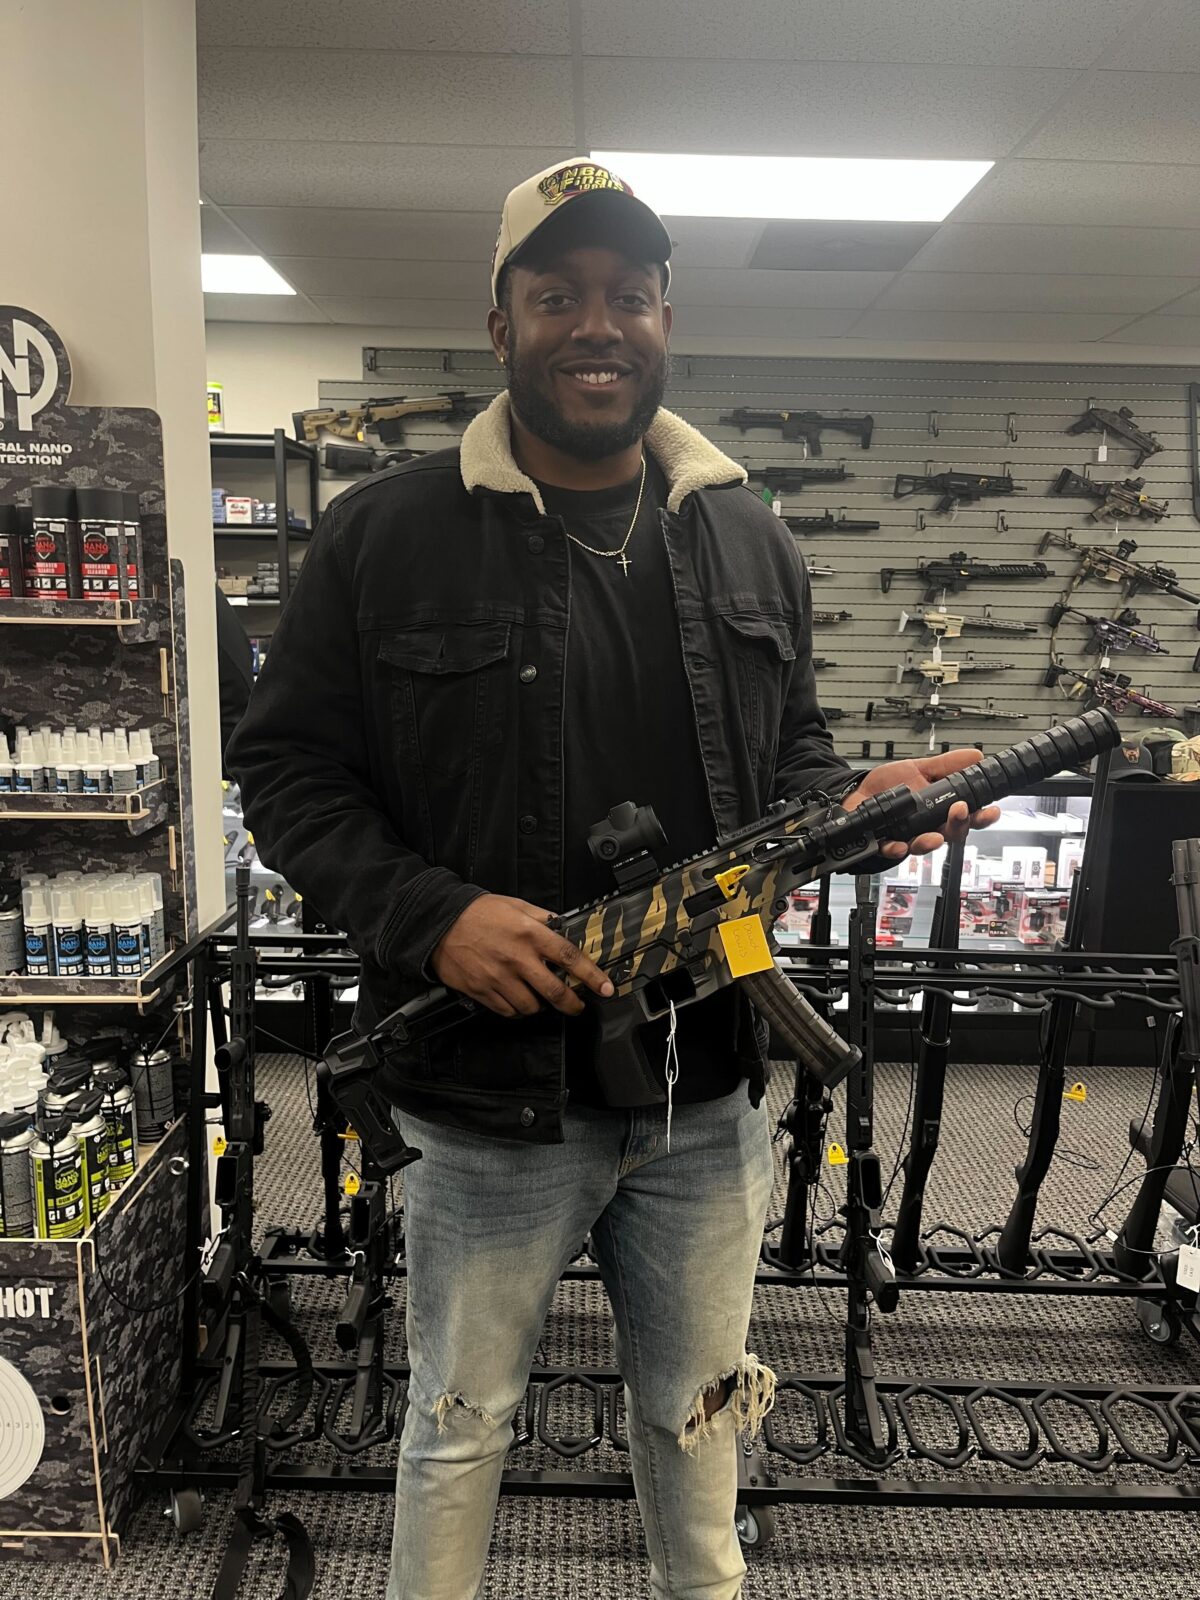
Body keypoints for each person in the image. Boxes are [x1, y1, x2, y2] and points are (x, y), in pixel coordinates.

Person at [228, 159, 997, 1600]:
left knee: (702, 1425)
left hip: (707, 1093)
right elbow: (286, 776)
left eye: (629, 295)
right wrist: (435, 917)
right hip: (487, 1098)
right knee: (460, 1428)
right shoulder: (386, 534)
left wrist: (850, 805)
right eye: (558, 295)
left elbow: (791, 752)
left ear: (664, 321)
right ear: (503, 325)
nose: (598, 324)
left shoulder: (750, 534)